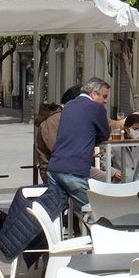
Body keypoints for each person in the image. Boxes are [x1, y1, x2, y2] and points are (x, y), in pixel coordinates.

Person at [48, 77, 112, 214]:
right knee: (97, 213)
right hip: (74, 171)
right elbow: (105, 135)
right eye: (104, 96)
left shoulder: (69, 105)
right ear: (94, 94)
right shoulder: (96, 108)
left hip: (54, 167)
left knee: (55, 213)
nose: (106, 101)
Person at [35, 86, 79, 176]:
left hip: (70, 167)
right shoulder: (55, 119)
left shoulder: (67, 116)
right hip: (56, 171)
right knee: (103, 178)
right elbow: (59, 149)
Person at [114, 114, 139, 181]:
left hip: (138, 182)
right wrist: (113, 172)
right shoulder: (116, 143)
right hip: (120, 182)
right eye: (135, 129)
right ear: (126, 128)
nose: (137, 131)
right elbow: (104, 160)